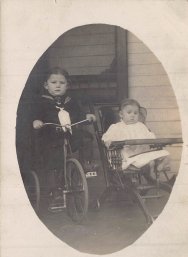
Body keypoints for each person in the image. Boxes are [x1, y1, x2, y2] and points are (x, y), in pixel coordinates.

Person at [32, 67, 96, 207]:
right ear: (46, 85)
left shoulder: (70, 101)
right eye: (54, 82)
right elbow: (37, 115)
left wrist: (86, 116)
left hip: (70, 134)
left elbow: (78, 113)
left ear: (67, 85)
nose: (58, 85)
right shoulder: (42, 102)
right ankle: (55, 192)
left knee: (86, 138)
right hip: (52, 137)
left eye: (62, 82)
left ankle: (86, 165)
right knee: (55, 161)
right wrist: (37, 121)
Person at [102, 99, 170, 177]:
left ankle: (158, 168)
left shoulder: (141, 126)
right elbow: (107, 137)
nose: (132, 115)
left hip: (143, 153)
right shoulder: (116, 127)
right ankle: (153, 175)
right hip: (129, 156)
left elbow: (151, 137)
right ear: (121, 114)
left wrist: (154, 141)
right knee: (150, 162)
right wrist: (108, 141)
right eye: (129, 112)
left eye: (135, 113)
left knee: (165, 155)